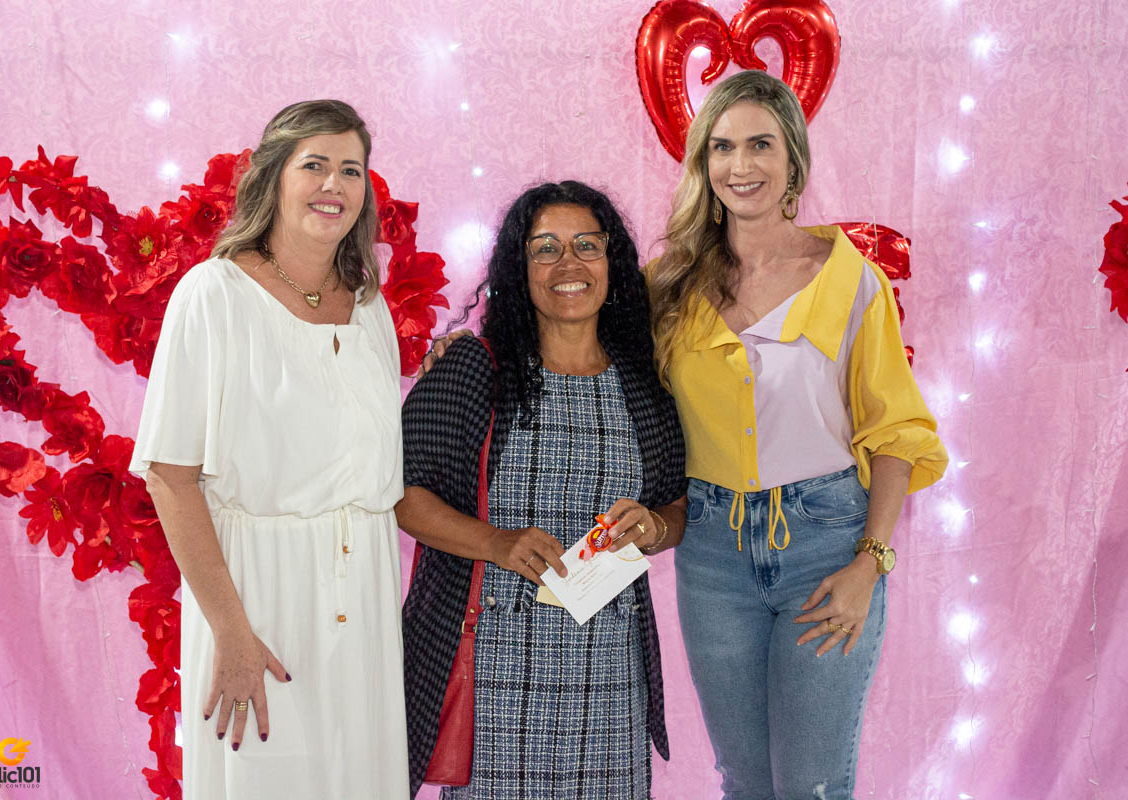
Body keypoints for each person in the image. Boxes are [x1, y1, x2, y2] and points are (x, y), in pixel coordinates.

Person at [648, 70, 949, 799]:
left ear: (793, 160)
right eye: (722, 147)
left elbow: (896, 433)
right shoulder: (667, 286)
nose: (740, 165)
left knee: (810, 784)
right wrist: (467, 349)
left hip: (826, 546)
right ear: (703, 163)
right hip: (712, 556)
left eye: (760, 144)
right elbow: (577, 349)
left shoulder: (852, 281)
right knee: (745, 781)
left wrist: (869, 562)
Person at [131, 100, 408, 799]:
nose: (334, 184)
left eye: (351, 169)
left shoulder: (369, 304)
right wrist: (230, 632)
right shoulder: (213, 294)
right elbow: (170, 476)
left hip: (364, 603)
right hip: (259, 601)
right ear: (272, 176)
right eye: (314, 164)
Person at [397, 181, 688, 800]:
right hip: (495, 672)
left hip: (610, 678)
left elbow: (675, 506)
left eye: (587, 245)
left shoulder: (645, 386)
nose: (568, 264)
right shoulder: (474, 370)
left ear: (611, 263)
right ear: (519, 269)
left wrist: (654, 527)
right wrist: (496, 543)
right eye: (545, 248)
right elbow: (404, 495)